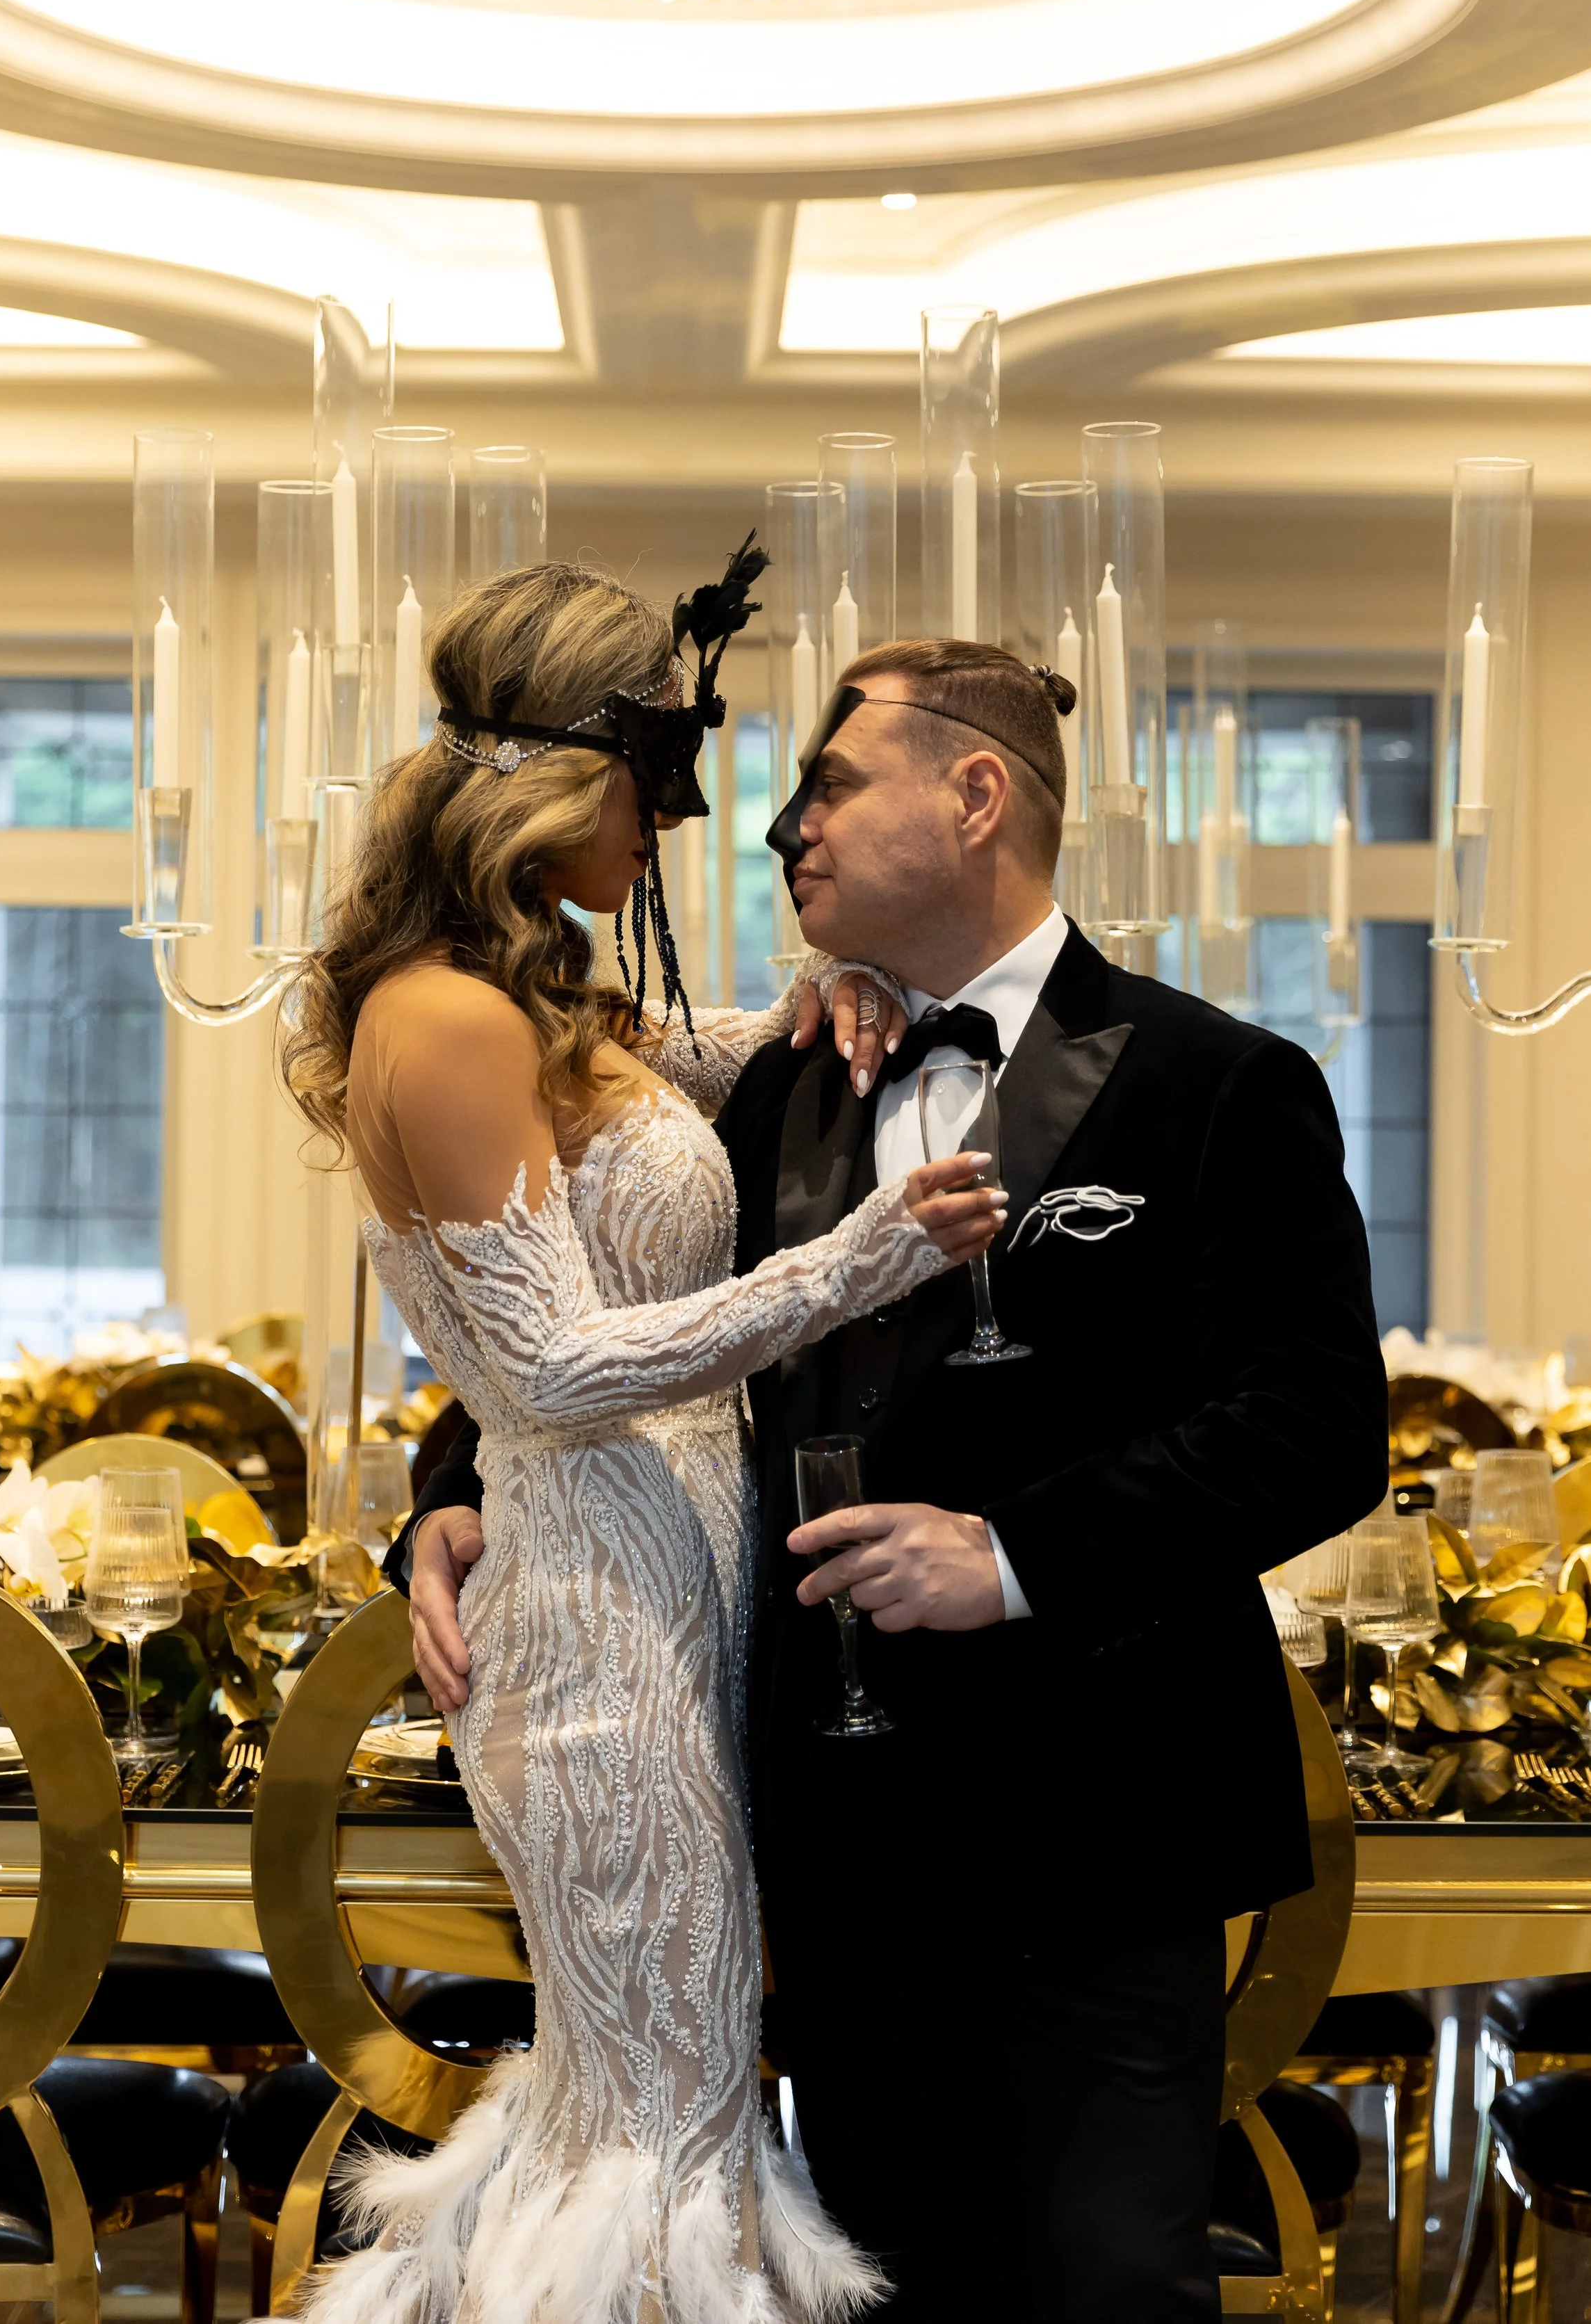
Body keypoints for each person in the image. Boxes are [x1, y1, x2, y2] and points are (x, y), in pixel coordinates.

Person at [407, 635, 1389, 2320]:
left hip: (1100, 1815)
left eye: (831, 784)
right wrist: (442, 1489)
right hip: (826, 1824)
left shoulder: (1215, 1083)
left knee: (1106, 2287)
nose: (782, 826)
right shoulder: (774, 1082)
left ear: (975, 792)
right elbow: (598, 1311)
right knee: (879, 2291)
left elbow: (1311, 1428)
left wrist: (1006, 1554)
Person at [282, 560, 1004, 2324]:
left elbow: (682, 1092)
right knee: (661, 2126)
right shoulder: (443, 1015)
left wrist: (820, 999)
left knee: (660, 2111)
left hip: (673, 1609)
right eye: (657, 779)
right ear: (570, 771)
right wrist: (858, 1260)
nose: (679, 825)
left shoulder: (532, 1007)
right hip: (594, 1635)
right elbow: (550, 1368)